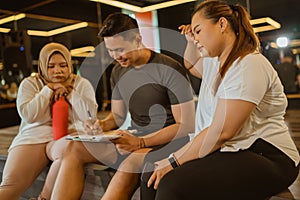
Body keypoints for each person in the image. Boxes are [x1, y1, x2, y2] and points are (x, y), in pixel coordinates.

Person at [141, 1, 300, 200]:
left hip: (268, 154)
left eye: (199, 31)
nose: (196, 37)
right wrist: (191, 41)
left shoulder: (248, 64)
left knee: (172, 184)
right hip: (232, 149)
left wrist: (173, 161)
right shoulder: (214, 61)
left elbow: (222, 132)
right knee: (150, 172)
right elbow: (191, 66)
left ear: (222, 24)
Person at [39, 13, 195, 200]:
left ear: (137, 40)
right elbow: (117, 117)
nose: (115, 56)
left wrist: (141, 143)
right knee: (74, 149)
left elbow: (185, 125)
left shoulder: (169, 68)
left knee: (127, 166)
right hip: (134, 139)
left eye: (120, 49)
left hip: (168, 142)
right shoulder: (118, 71)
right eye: (110, 50)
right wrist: (100, 125)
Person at [0, 42, 98, 200]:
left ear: (69, 65)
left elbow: (89, 116)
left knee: (69, 155)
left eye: (63, 65)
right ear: (42, 65)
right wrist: (49, 89)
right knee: (9, 188)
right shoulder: (30, 84)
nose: (57, 70)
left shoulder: (80, 83)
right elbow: (29, 115)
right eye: (51, 66)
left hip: (65, 138)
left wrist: (70, 92)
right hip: (34, 138)